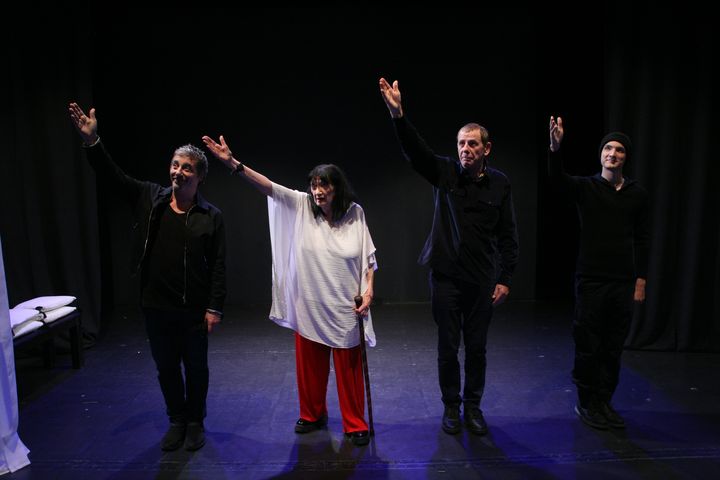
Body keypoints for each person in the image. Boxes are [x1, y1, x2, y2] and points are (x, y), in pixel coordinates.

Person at [68, 103, 226, 451]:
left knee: (196, 369)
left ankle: (196, 421)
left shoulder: (210, 216)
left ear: (199, 177)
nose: (177, 172)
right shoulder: (148, 198)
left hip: (193, 309)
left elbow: (218, 265)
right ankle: (177, 420)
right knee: (166, 368)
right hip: (156, 305)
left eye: (186, 168)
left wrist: (214, 308)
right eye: (174, 165)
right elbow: (112, 176)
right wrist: (93, 142)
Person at [202, 134, 377, 446]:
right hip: (310, 303)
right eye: (314, 185)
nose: (318, 192)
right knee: (309, 367)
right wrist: (232, 163)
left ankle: (354, 422)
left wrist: (369, 292)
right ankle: (312, 414)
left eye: (325, 185)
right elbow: (268, 186)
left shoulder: (355, 214)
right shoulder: (300, 206)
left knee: (349, 371)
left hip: (346, 307)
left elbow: (368, 260)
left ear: (337, 187)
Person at [378, 78, 519, 436]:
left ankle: (473, 407)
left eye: (472, 143)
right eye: (461, 143)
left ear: (487, 148)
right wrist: (398, 116)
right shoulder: (444, 172)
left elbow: (508, 235)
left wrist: (505, 278)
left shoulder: (500, 184)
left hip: (482, 280)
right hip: (445, 278)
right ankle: (451, 408)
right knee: (447, 347)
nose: (465, 149)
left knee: (477, 349)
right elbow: (416, 152)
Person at [548, 116, 650, 430]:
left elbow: (643, 238)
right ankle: (586, 402)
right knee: (589, 342)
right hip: (591, 279)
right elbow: (557, 180)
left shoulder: (636, 194)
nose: (612, 153)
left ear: (625, 157)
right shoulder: (587, 187)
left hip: (622, 281)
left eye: (619, 150)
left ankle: (604, 401)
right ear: (601, 154)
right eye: (608, 148)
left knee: (613, 345)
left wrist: (640, 279)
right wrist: (555, 149)